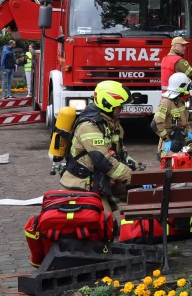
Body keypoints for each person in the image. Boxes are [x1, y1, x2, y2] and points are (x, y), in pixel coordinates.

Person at [59, 80, 140, 212]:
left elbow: (121, 154)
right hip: (83, 183)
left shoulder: (112, 123)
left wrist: (139, 171)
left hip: (102, 178)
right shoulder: (89, 126)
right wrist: (132, 177)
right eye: (120, 106)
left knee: (141, 193)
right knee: (107, 226)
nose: (122, 109)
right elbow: (104, 161)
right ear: (108, 105)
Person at [154, 72, 192, 154]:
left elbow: (184, 119)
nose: (188, 90)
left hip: (181, 138)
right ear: (181, 87)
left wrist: (189, 130)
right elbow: (155, 124)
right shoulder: (166, 102)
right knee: (171, 163)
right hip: (170, 143)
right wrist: (166, 139)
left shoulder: (181, 101)